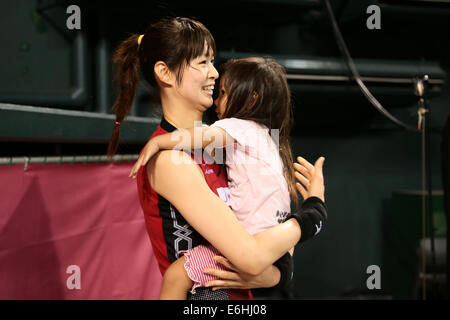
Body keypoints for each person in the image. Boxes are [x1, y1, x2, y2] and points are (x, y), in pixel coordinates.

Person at [107, 17, 327, 300]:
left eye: (212, 61)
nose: (214, 73)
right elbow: (252, 257)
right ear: (165, 72)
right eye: (202, 62)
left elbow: (269, 237)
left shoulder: (230, 143)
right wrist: (311, 214)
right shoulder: (171, 160)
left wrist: (277, 274)